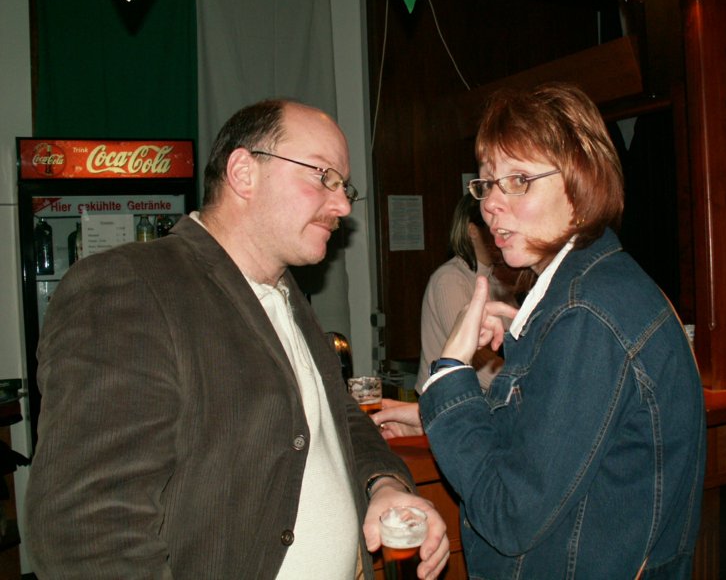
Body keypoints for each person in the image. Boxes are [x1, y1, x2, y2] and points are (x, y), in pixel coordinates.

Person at [25, 99, 449, 579]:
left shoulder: (285, 293)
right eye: (323, 177)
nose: (343, 205)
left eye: (343, 185)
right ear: (244, 173)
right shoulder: (130, 285)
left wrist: (384, 484)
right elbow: (87, 529)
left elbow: (338, 417)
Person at [408, 83, 707, 578]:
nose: (491, 204)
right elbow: (546, 447)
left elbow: (509, 513)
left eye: (519, 180)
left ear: (581, 186)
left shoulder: (585, 313)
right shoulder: (595, 287)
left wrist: (451, 372)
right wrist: (443, 409)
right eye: (487, 183)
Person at [416, 193, 518, 393]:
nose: (502, 231)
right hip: (446, 402)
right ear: (472, 231)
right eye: (492, 224)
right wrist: (523, 386)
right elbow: (473, 360)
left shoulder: (497, 280)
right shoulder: (449, 279)